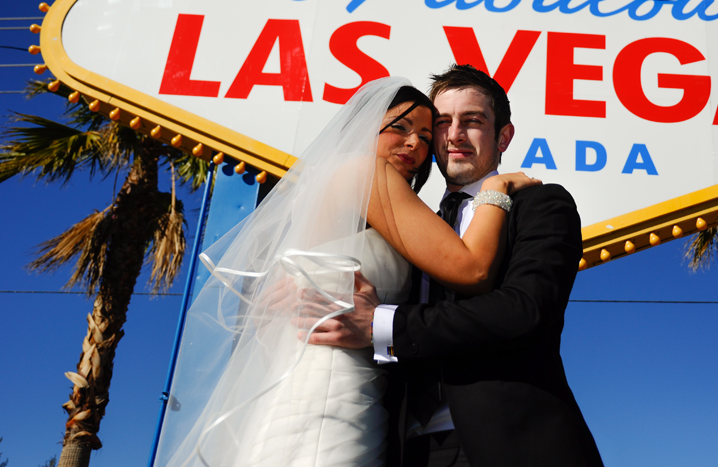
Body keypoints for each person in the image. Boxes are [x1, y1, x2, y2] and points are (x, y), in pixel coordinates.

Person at [154, 77, 538, 467]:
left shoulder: (364, 197)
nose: (415, 145)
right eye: (399, 127)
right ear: (363, 125)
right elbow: (470, 268)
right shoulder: (363, 172)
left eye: (424, 135)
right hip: (327, 393)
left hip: (358, 392)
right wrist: (498, 186)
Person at [315, 65, 605, 467]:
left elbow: (524, 311)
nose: (454, 135)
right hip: (401, 449)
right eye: (443, 122)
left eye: (472, 121)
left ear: (503, 136)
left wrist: (382, 324)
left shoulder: (541, 203)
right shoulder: (412, 228)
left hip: (513, 445)